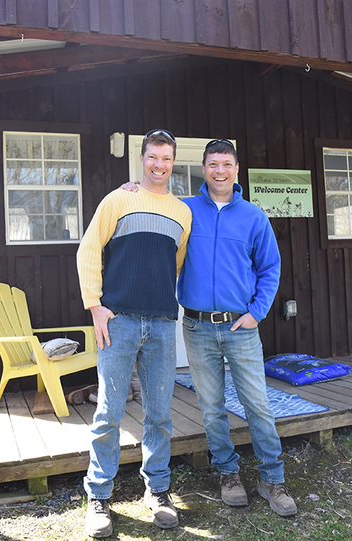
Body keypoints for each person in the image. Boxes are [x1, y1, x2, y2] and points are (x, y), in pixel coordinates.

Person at [123, 138, 297, 517]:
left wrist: (257, 312)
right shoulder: (185, 210)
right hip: (198, 328)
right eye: (213, 164)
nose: (220, 171)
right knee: (212, 406)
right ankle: (228, 474)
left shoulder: (254, 216)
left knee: (258, 404)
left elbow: (270, 268)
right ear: (204, 169)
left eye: (227, 164)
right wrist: (130, 190)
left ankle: (273, 478)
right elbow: (152, 205)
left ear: (237, 169)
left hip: (241, 327)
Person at [76, 129, 192, 538]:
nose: (159, 165)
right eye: (153, 157)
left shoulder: (182, 212)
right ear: (142, 160)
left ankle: (158, 491)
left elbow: (174, 263)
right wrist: (95, 306)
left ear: (173, 163)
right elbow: (89, 249)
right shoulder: (117, 200)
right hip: (119, 322)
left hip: (161, 324)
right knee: (108, 412)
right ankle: (99, 498)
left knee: (160, 415)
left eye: (166, 158)